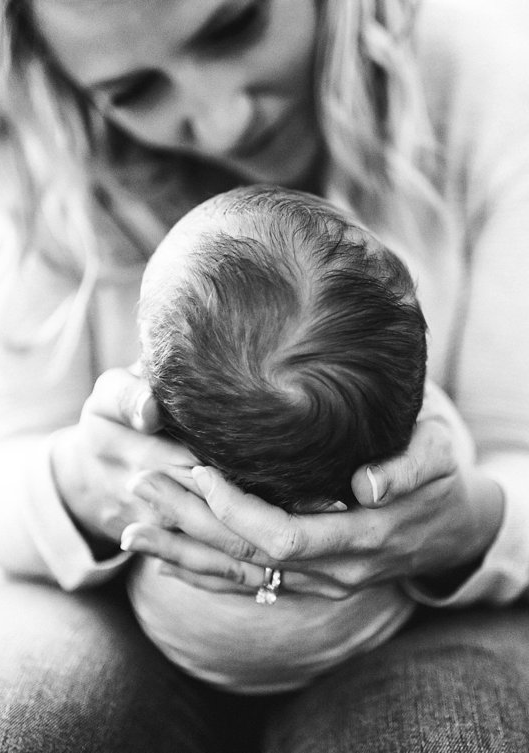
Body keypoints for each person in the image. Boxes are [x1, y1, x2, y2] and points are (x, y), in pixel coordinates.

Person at [0, 0, 529, 751]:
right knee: (9, 730)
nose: (221, 119)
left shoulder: (497, 98)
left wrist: (454, 525)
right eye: (132, 92)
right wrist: (86, 483)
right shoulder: (37, 149)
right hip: (93, 601)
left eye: (237, 23)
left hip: (437, 614)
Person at [128, 183, 454, 694]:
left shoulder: (147, 437)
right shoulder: (415, 443)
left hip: (174, 644)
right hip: (363, 644)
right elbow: (452, 466)